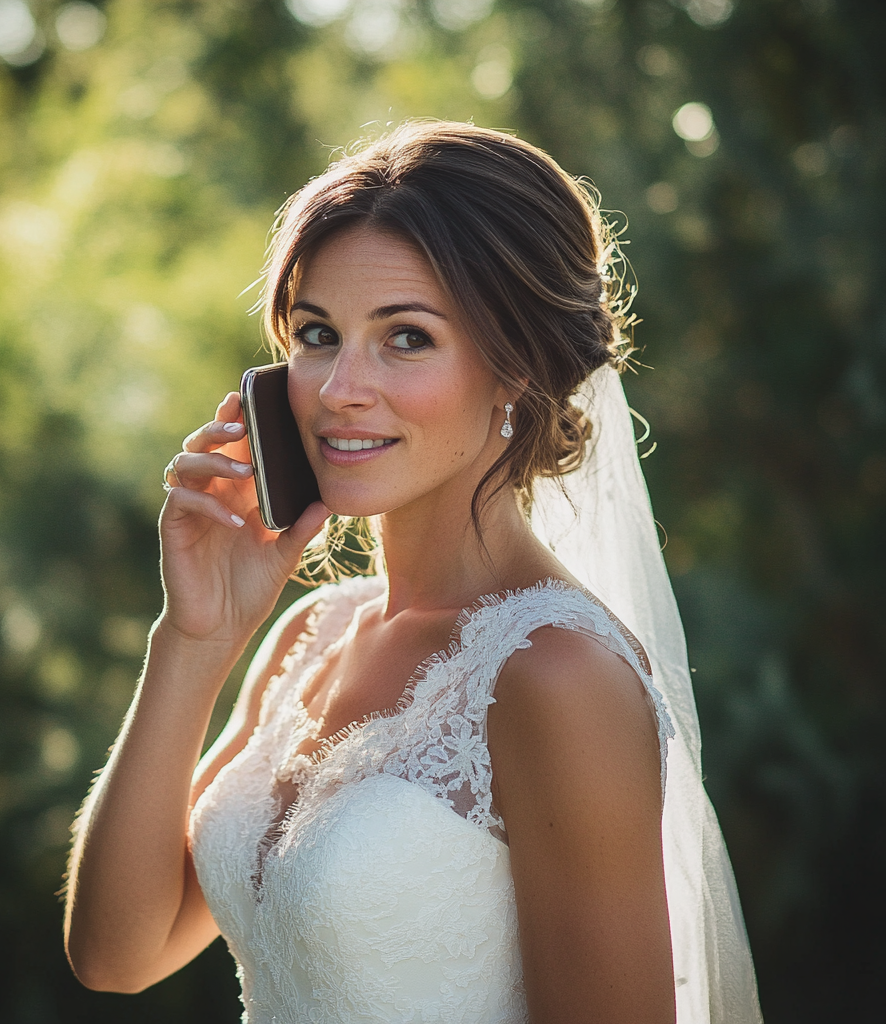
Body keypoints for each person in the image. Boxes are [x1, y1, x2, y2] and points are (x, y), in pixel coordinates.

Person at [63, 121, 763, 1023]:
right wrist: (193, 641)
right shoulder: (309, 636)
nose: (340, 387)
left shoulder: (558, 675)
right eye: (318, 333)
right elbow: (117, 954)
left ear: (515, 368)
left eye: (407, 339)